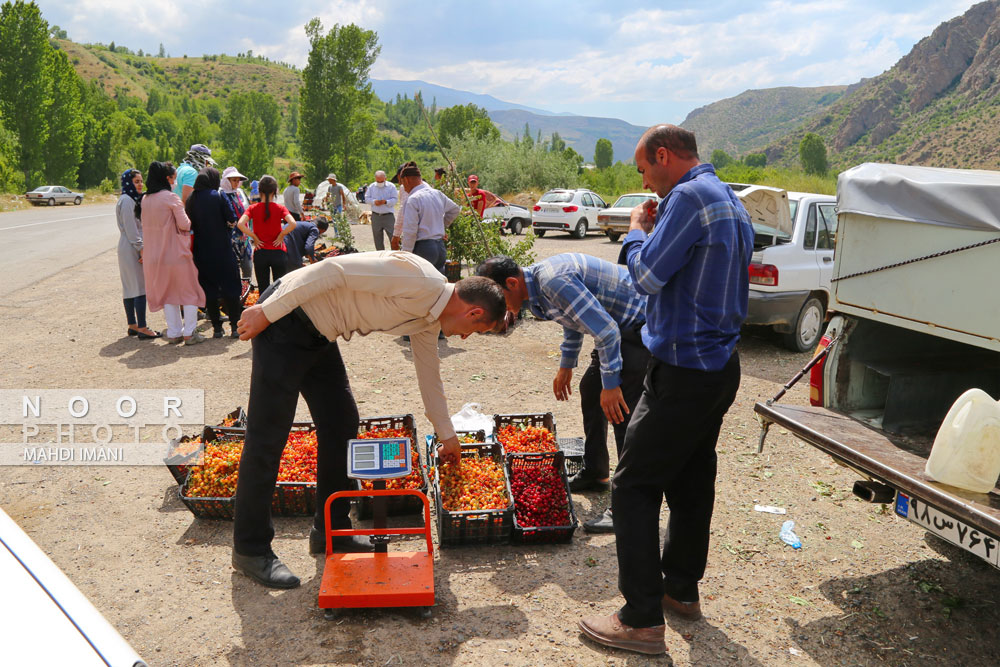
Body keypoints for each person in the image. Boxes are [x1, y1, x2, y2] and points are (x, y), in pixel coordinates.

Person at [231, 252, 507, 588]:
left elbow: (429, 376)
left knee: (342, 424)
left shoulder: (428, 319)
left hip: (319, 335)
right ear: (473, 312)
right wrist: (266, 311)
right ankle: (250, 548)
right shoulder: (420, 280)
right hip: (285, 318)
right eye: (474, 331)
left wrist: (447, 435)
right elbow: (332, 270)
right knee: (267, 436)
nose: (465, 337)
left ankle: (330, 531)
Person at [578, 125, 753, 656]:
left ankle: (640, 619)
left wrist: (635, 230)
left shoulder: (688, 196)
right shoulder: (728, 198)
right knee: (692, 477)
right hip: (718, 367)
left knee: (632, 485)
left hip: (682, 371)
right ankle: (680, 589)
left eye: (644, 170)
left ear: (662, 156)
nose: (646, 182)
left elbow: (646, 276)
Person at [475, 254, 649, 533]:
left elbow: (607, 332)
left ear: (511, 282)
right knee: (591, 389)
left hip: (640, 327)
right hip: (619, 329)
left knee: (620, 411)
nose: (499, 308)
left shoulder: (553, 281)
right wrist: (566, 365)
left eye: (499, 298)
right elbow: (572, 318)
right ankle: (596, 472)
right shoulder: (537, 294)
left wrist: (612, 384)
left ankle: (628, 508)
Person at [140, 161, 207, 346]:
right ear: (166, 179)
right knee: (189, 291)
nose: (175, 182)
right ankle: (190, 332)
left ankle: (174, 331)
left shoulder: (145, 200)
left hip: (154, 255)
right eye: (173, 178)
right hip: (175, 253)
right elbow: (185, 224)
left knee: (168, 293)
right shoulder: (170, 198)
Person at [187, 167, 242, 339]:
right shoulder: (218, 195)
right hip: (223, 250)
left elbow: (188, 224)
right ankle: (235, 326)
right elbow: (232, 218)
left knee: (209, 289)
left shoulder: (191, 199)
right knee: (231, 287)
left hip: (202, 252)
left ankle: (217, 328)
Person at [116, 168, 159, 339]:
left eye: (141, 181)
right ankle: (142, 326)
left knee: (130, 287)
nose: (140, 184)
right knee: (139, 286)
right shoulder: (127, 201)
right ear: (128, 182)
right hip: (132, 246)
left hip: (129, 245)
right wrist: (141, 249)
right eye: (136, 181)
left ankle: (133, 324)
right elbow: (131, 229)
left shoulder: (130, 198)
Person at [237, 175, 296, 294]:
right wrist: (282, 235)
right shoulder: (280, 208)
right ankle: (280, 313)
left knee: (263, 290)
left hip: (261, 252)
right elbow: (293, 223)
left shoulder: (253, 208)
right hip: (278, 251)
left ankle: (264, 311)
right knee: (280, 289)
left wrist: (254, 237)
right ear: (275, 191)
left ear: (259, 191)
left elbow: (240, 224)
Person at [398, 163, 459, 275]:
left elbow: (410, 232)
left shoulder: (413, 199)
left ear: (406, 180)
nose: (403, 188)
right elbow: (455, 209)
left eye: (402, 184)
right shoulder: (437, 194)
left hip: (423, 249)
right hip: (440, 248)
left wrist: (405, 256)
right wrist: (442, 226)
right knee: (438, 285)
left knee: (421, 287)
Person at [219, 167, 252, 280]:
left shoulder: (239, 193)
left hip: (243, 234)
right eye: (234, 180)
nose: (237, 183)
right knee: (233, 264)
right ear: (227, 181)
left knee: (247, 263)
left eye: (238, 180)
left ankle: (248, 286)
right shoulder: (221, 194)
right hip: (231, 235)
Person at [389, 161, 417, 251]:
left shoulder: (405, 188)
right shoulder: (427, 187)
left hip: (412, 232)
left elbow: (403, 210)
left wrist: (396, 235)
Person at [366, 170, 398, 251]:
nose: (380, 182)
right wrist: (374, 202)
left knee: (393, 237)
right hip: (376, 216)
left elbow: (395, 199)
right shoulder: (371, 187)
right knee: (377, 239)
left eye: (381, 181)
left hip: (388, 216)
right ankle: (380, 256)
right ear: (375, 179)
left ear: (385, 178)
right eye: (378, 181)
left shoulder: (391, 186)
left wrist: (386, 202)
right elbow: (366, 198)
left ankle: (395, 255)